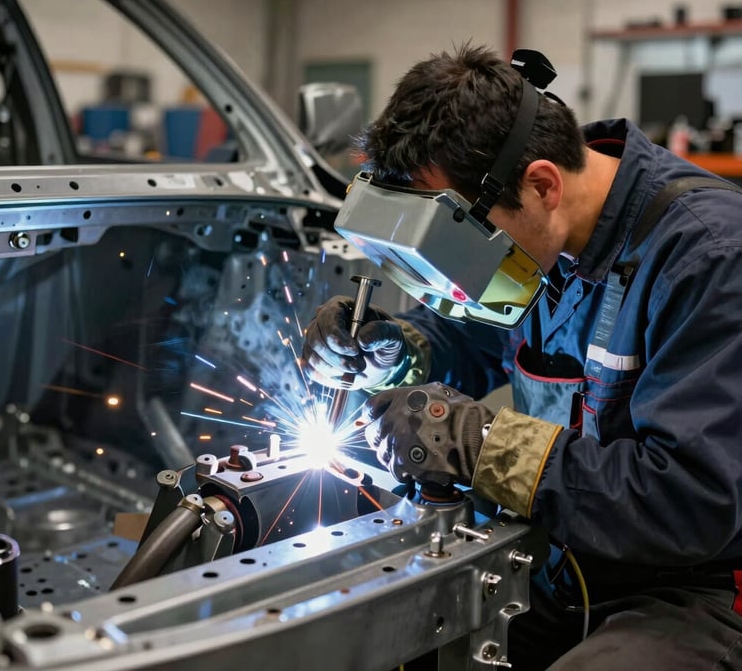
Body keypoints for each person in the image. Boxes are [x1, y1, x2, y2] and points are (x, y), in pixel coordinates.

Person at [301, 43, 742, 670]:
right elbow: (477, 331)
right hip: (561, 553)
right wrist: (397, 350)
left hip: (692, 585)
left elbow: (690, 500)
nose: (461, 276)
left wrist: (480, 443)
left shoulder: (710, 258)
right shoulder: (537, 236)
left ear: (542, 185)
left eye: (462, 247)